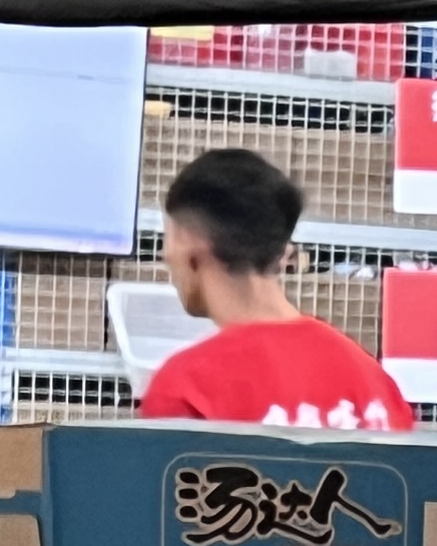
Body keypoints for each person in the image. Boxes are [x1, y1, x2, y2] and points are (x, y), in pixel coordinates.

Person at [134, 146, 409, 430]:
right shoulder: (375, 382)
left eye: (168, 236)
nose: (165, 255)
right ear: (281, 251)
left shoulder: (186, 388)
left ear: (188, 242)